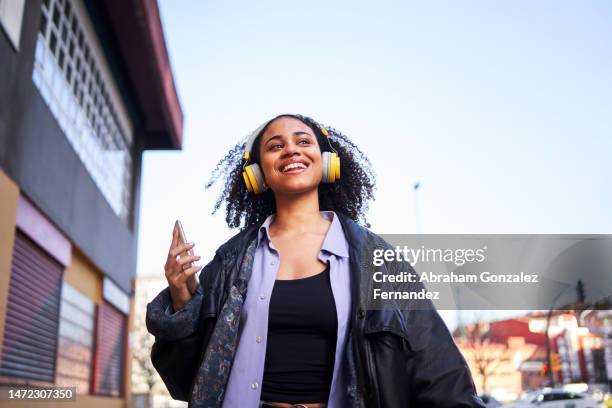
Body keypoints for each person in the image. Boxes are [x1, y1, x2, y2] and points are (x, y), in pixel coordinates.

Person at [146, 114, 485, 408]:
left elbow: (436, 364)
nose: (291, 149)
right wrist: (182, 297)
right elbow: (184, 379)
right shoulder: (229, 262)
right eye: (275, 146)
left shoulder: (377, 261)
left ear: (325, 161)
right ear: (258, 173)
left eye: (303, 141)